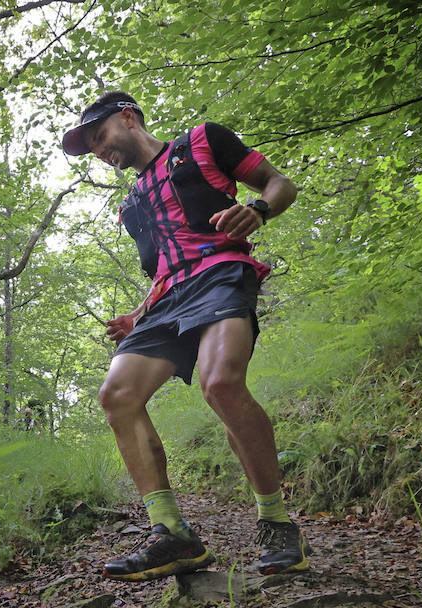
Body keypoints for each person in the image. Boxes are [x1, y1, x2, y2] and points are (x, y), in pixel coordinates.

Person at [61, 91, 309, 580]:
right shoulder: (131, 206)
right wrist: (138, 313)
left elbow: (280, 183)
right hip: (166, 302)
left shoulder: (200, 143)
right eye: (91, 147)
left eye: (100, 136)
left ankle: (277, 523)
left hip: (220, 274)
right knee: (117, 395)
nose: (99, 151)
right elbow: (160, 270)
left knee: (221, 385)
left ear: (127, 118)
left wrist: (259, 210)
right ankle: (172, 533)